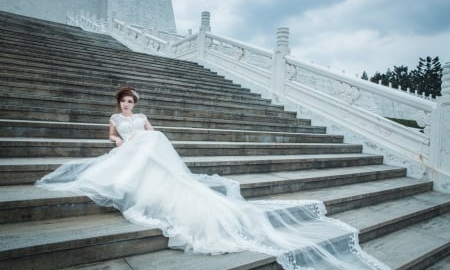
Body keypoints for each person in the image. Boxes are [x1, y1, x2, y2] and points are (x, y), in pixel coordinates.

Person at [36, 86, 390, 270]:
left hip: (144, 150)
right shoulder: (113, 118)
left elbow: (153, 133)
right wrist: (118, 139)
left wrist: (141, 136)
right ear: (120, 103)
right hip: (127, 151)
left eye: (131, 102)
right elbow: (111, 138)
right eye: (125, 102)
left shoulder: (143, 116)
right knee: (132, 150)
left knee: (152, 141)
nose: (128, 106)